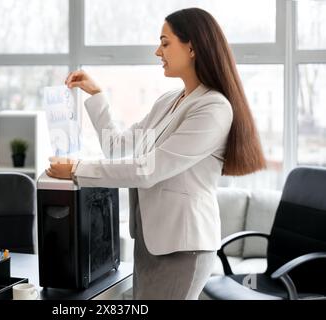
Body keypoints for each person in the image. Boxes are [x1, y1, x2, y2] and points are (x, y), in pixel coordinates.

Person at [46, 7, 265, 300]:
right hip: (151, 241)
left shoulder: (213, 109)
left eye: (164, 43)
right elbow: (118, 147)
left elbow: (147, 170)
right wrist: (97, 97)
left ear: (192, 47)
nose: (157, 52)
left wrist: (77, 170)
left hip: (184, 246)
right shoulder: (169, 101)